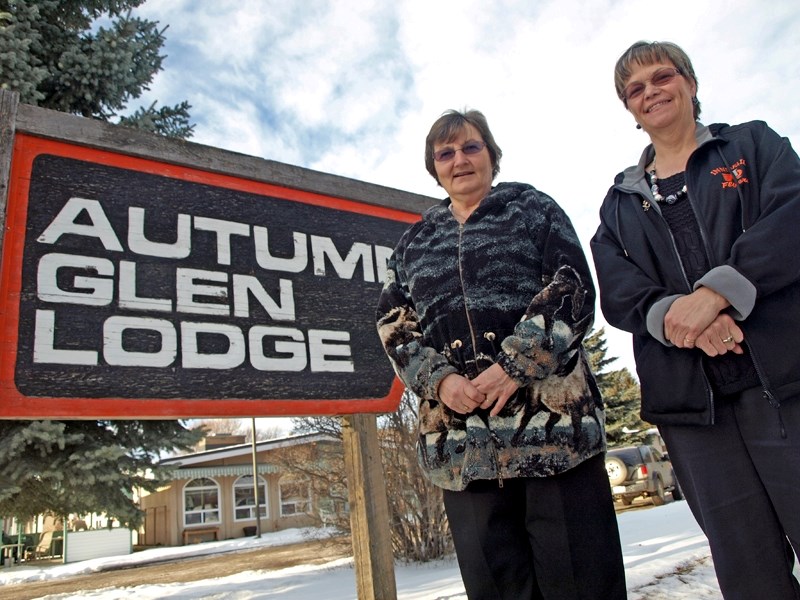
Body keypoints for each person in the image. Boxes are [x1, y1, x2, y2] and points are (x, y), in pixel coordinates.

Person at [377, 109, 626, 600]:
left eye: (471, 147)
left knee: (582, 585)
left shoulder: (531, 209)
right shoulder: (413, 243)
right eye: (445, 153)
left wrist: (515, 366)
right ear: (434, 168)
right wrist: (441, 380)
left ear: (491, 154)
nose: (459, 160)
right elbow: (394, 326)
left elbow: (571, 289)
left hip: (555, 442)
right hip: (463, 451)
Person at [591, 40, 800, 600]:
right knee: (747, 566)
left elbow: (791, 218)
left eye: (662, 77)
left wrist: (717, 294)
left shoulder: (753, 145)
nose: (651, 92)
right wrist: (683, 320)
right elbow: (619, 290)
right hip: (693, 410)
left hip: (785, 382)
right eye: (635, 89)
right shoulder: (618, 203)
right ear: (630, 110)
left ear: (689, 83)